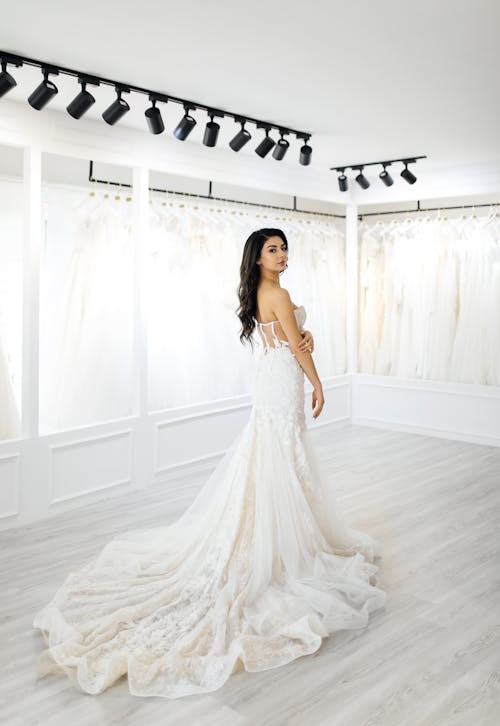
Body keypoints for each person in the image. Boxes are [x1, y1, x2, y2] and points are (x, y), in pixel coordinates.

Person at [32, 227, 386, 698]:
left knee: (277, 455)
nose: (282, 256)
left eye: (284, 249)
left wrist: (303, 338)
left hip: (273, 377)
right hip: (283, 380)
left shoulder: (263, 292)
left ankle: (280, 536)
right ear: (257, 258)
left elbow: (288, 338)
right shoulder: (276, 291)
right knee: (281, 454)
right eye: (273, 250)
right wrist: (319, 383)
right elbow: (296, 347)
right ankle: (277, 546)